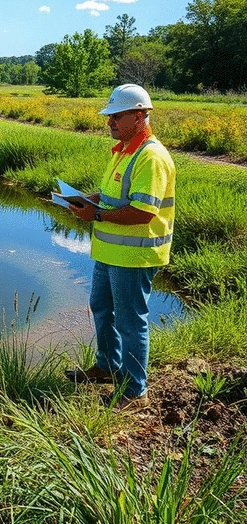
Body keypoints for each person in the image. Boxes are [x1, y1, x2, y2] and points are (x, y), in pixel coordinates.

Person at [66, 84, 176, 410]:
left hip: (135, 254)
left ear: (139, 116)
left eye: (117, 116)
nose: (110, 122)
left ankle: (135, 393)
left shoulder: (151, 157)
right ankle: (108, 367)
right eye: (109, 116)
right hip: (110, 252)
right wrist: (88, 200)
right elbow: (112, 194)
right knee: (101, 308)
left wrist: (96, 214)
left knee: (130, 322)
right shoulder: (124, 150)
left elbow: (143, 212)